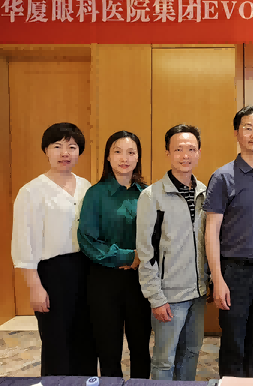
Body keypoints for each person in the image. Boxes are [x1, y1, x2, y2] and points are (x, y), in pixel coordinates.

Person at [204, 105, 253, 378]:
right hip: (234, 273)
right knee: (233, 343)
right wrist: (217, 279)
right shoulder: (223, 176)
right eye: (248, 128)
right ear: (236, 133)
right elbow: (211, 231)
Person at [11, 122, 97, 376]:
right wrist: (34, 286)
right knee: (56, 341)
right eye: (57, 146)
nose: (65, 153)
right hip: (52, 272)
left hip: (86, 269)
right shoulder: (31, 191)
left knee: (85, 337)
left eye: (72, 147)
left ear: (79, 152)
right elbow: (23, 242)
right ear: (46, 151)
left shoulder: (86, 186)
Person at [136, 124, 209, 381]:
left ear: (199, 153)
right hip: (169, 296)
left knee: (191, 352)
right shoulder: (152, 196)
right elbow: (145, 253)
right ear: (168, 153)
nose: (185, 155)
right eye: (178, 149)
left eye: (191, 149)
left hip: (198, 293)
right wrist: (156, 297)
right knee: (164, 360)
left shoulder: (204, 193)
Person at [78, 131, 152, 378]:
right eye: (117, 152)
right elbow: (87, 240)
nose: (124, 158)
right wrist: (129, 257)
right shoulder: (95, 194)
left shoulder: (147, 193)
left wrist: (141, 259)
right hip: (104, 281)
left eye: (131, 152)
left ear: (138, 157)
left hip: (140, 281)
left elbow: (158, 235)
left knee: (141, 346)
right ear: (108, 157)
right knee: (109, 349)